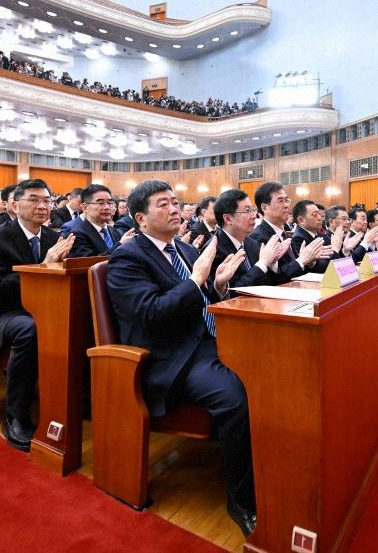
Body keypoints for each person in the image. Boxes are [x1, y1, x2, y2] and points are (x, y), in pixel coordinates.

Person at [104, 180, 255, 536]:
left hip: (206, 341)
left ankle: (263, 461)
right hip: (170, 356)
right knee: (234, 395)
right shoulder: (127, 258)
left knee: (267, 368)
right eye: (163, 204)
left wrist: (217, 285)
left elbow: (202, 300)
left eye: (175, 201)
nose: (175, 209)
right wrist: (196, 280)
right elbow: (152, 314)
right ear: (140, 218)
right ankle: (243, 499)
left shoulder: (184, 249)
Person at [0, 179, 75, 452]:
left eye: (47, 200)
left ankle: (79, 400)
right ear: (15, 206)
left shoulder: (53, 238)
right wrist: (42, 268)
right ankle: (15, 414)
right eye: (34, 199)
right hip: (2, 315)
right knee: (30, 328)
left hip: (44, 310)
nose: (43, 206)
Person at [211, 188, 290, 288]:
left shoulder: (252, 243)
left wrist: (271, 264)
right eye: (247, 211)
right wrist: (262, 263)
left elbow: (267, 283)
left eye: (253, 210)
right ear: (228, 219)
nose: (254, 216)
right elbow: (232, 290)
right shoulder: (214, 250)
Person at [68, 184, 134, 257]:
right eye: (101, 203)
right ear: (85, 207)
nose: (107, 207)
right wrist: (120, 244)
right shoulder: (77, 235)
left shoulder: (115, 232)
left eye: (109, 203)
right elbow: (90, 262)